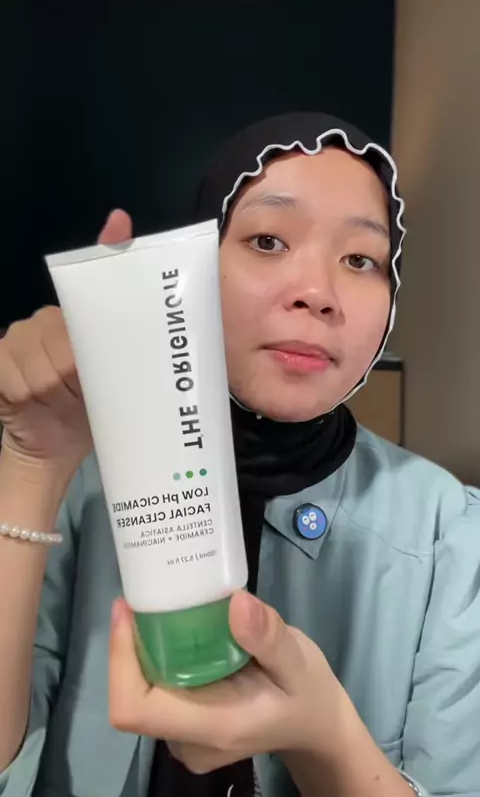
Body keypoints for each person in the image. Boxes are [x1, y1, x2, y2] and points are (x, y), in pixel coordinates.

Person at [0, 112, 478, 797]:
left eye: (360, 260)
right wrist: (29, 467)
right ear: (194, 269)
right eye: (267, 240)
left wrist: (328, 744)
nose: (316, 293)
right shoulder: (82, 489)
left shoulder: (453, 536)